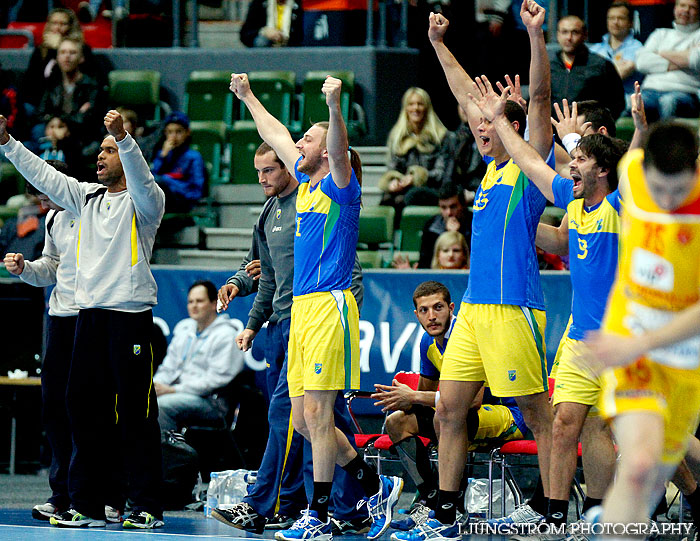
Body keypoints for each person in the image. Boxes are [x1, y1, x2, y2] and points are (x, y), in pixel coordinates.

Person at [395, 3, 555, 539]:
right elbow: (467, 96)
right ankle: (444, 507)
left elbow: (537, 99)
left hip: (513, 309)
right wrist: (440, 43)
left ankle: (552, 508)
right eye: (477, 122)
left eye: (491, 122)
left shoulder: (530, 168)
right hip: (474, 309)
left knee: (538, 414)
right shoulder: (487, 171)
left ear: (511, 131)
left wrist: (535, 34)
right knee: (447, 410)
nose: (480, 126)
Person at [229, 72, 402, 541]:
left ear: (326, 152)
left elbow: (339, 150)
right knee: (304, 420)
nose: (297, 143)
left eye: (308, 139)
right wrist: (247, 97)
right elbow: (273, 133)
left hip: (329, 306)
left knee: (320, 418)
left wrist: (334, 107)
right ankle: (369, 480)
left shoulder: (340, 188)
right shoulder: (304, 185)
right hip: (300, 311)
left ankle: (319, 516)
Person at [469, 74, 630, 530]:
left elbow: (629, 163)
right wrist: (502, 123)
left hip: (624, 338)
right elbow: (529, 159)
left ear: (599, 169)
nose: (567, 165)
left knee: (644, 437)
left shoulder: (619, 203)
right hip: (581, 338)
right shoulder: (570, 200)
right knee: (566, 423)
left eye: (578, 159)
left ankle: (683, 497)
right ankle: (557, 514)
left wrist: (635, 125)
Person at [0, 109, 165, 529]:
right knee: (81, 410)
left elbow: (142, 180)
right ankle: (86, 504)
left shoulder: (145, 203)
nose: (101, 156)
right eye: (101, 151)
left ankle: (145, 505)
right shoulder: (84, 197)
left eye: (109, 152)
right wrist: (6, 142)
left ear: (127, 157)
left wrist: (123, 137)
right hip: (89, 318)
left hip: (129, 316)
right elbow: (43, 174)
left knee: (135, 413)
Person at [212, 142, 369, 535]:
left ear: (291, 167)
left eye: (268, 170)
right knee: (317, 422)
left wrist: (342, 319)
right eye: (258, 170)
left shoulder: (316, 197)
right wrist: (247, 312)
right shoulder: (267, 213)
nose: (262, 178)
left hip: (318, 321)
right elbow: (264, 274)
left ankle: (263, 504)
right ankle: (352, 502)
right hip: (282, 327)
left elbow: (348, 267)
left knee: (288, 417)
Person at [581, 122, 700, 533]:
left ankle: (616, 521)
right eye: (659, 189)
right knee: (639, 466)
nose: (668, 200)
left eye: (679, 190)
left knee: (650, 481)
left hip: (684, 358)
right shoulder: (631, 170)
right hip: (631, 344)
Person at [2, 161, 124, 524]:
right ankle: (63, 494)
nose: (43, 204)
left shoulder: (97, 208)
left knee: (92, 411)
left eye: (46, 194)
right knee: (54, 409)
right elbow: (53, 266)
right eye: (38, 198)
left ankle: (106, 495)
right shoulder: (54, 220)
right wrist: (27, 269)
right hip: (59, 319)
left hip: (94, 317)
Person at [371, 281, 525, 530]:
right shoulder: (427, 343)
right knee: (397, 421)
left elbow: (472, 402)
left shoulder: (468, 337)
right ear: (416, 315)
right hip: (457, 417)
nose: (431, 316)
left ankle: (451, 509)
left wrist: (413, 397)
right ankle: (434, 502)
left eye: (438, 307)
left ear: (451, 308)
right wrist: (400, 399)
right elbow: (425, 395)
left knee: (447, 417)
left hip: (507, 416)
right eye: (424, 310)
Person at [153, 280, 243, 433]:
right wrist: (155, 386)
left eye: (199, 301)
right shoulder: (184, 331)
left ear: (214, 304)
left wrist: (173, 390)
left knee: (160, 406)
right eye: (190, 301)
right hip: (178, 393)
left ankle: (168, 454)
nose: (194, 306)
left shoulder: (226, 336)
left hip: (211, 401)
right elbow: (168, 367)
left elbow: (214, 381)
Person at [379, 87, 450, 214]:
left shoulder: (440, 136)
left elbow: (441, 173)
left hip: (432, 189)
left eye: (420, 104)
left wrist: (415, 178)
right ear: (405, 108)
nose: (415, 108)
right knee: (387, 199)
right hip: (405, 189)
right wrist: (394, 182)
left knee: (411, 195)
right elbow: (393, 168)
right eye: (411, 104)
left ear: (427, 108)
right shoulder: (398, 137)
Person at [32, 36, 103, 151]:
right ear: (57, 57)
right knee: (36, 132)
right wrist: (55, 123)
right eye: (63, 52)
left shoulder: (91, 85)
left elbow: (89, 120)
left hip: (80, 137)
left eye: (72, 52)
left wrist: (61, 122)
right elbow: (40, 114)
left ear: (81, 58)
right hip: (54, 132)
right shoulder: (53, 83)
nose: (67, 56)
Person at [549, 15, 626, 120]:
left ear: (585, 35)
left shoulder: (601, 65)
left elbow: (617, 102)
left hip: (587, 131)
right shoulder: (549, 65)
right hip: (553, 130)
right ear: (558, 35)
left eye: (575, 32)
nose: (569, 37)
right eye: (564, 32)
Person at [636, 0, 700, 121]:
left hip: (684, 93)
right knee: (631, 103)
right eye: (682, 5)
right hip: (650, 91)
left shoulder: (698, 35)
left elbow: (696, 60)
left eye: (692, 7)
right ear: (675, 8)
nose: (686, 10)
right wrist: (684, 60)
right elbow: (642, 63)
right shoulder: (660, 34)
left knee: (668, 102)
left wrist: (662, 53)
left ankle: (664, 140)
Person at [589, 2, 644, 109]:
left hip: (625, 99)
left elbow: (620, 75)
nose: (615, 22)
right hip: (596, 98)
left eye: (621, 18)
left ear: (630, 23)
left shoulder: (637, 48)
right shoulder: (595, 49)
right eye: (611, 18)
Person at [151, 111, 206, 213]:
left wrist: (167, 182)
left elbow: (197, 191)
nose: (174, 137)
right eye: (170, 132)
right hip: (161, 199)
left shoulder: (194, 157)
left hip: (182, 201)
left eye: (178, 132)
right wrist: (162, 157)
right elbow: (151, 178)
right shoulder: (163, 154)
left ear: (187, 132)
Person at [240, 0, 304, 47]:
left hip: (291, 48)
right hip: (266, 50)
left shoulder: (299, 5)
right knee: (261, 41)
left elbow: (302, 35)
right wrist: (264, 31)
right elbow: (245, 34)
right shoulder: (259, 4)